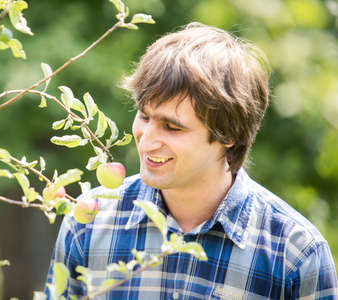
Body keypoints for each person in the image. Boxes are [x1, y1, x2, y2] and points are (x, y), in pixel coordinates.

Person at [45, 22, 338, 299]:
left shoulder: (295, 254)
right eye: (144, 116)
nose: (146, 140)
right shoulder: (90, 220)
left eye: (172, 127)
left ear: (228, 135)